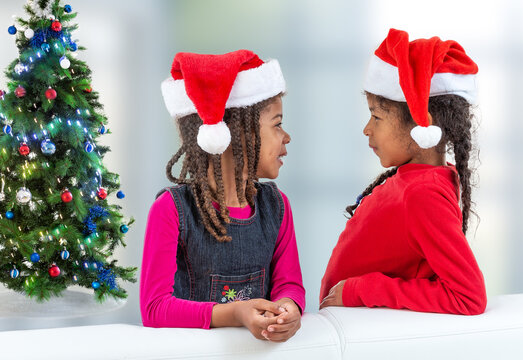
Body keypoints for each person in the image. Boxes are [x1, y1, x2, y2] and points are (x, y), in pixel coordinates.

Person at [140, 50, 305, 342]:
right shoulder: (171, 210)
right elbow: (155, 309)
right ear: (238, 133)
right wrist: (236, 313)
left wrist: (288, 309)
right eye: (277, 124)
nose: (287, 136)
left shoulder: (277, 207)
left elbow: (289, 284)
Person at [320, 29, 487, 315]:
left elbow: (469, 297)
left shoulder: (423, 194)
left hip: (364, 332)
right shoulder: (419, 180)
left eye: (377, 116)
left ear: (423, 123)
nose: (367, 128)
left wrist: (360, 291)